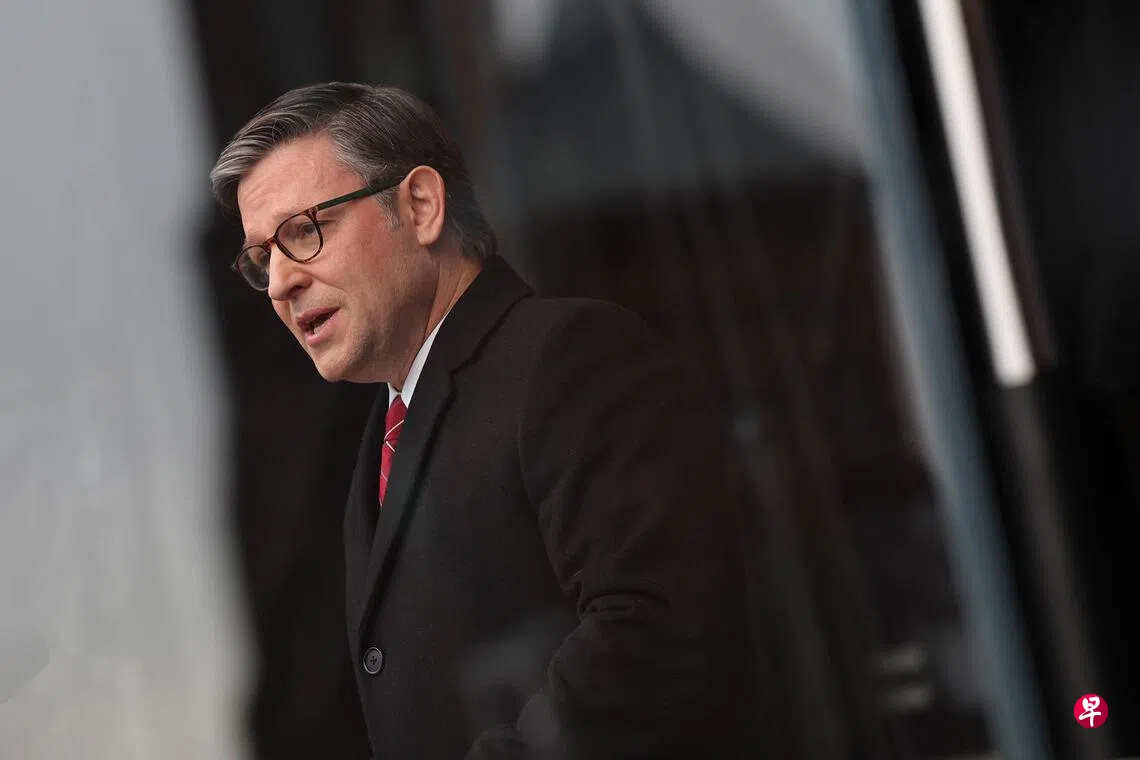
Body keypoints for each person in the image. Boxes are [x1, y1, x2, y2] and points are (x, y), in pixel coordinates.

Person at [210, 82, 760, 759]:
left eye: (304, 231)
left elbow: (652, 630)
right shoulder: (379, 443)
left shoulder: (569, 357)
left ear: (420, 205)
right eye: (262, 258)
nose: (281, 283)